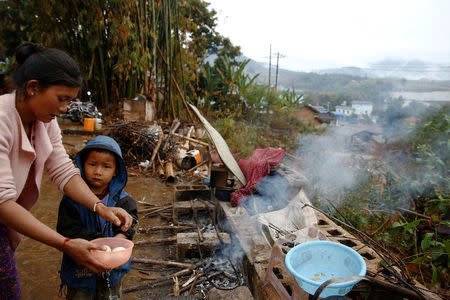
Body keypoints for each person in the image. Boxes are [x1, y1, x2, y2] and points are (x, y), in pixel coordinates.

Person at [0, 42, 132, 299]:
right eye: (61, 99)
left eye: (69, 101)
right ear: (33, 88)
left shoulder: (44, 120)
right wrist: (66, 244)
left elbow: (62, 170)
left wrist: (99, 207)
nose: (63, 109)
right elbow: (3, 202)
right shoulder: (3, 118)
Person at [57, 135, 138, 299]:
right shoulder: (72, 200)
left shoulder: (124, 201)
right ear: (82, 165)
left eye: (106, 166)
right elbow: (67, 230)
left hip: (113, 269)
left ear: (116, 171)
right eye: (92, 164)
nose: (98, 172)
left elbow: (128, 227)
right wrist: (98, 242)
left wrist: (118, 241)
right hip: (79, 271)